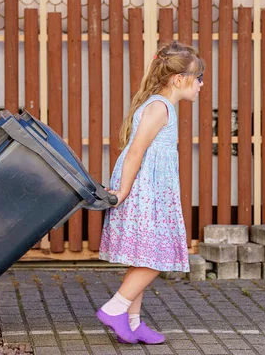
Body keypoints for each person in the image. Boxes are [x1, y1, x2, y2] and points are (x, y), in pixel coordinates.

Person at [97, 41, 205, 345]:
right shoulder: (159, 108)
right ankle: (114, 308)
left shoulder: (162, 106)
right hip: (145, 191)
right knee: (157, 255)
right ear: (178, 79)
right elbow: (135, 152)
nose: (201, 84)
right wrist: (122, 193)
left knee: (145, 255)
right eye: (197, 78)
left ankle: (131, 323)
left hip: (154, 189)